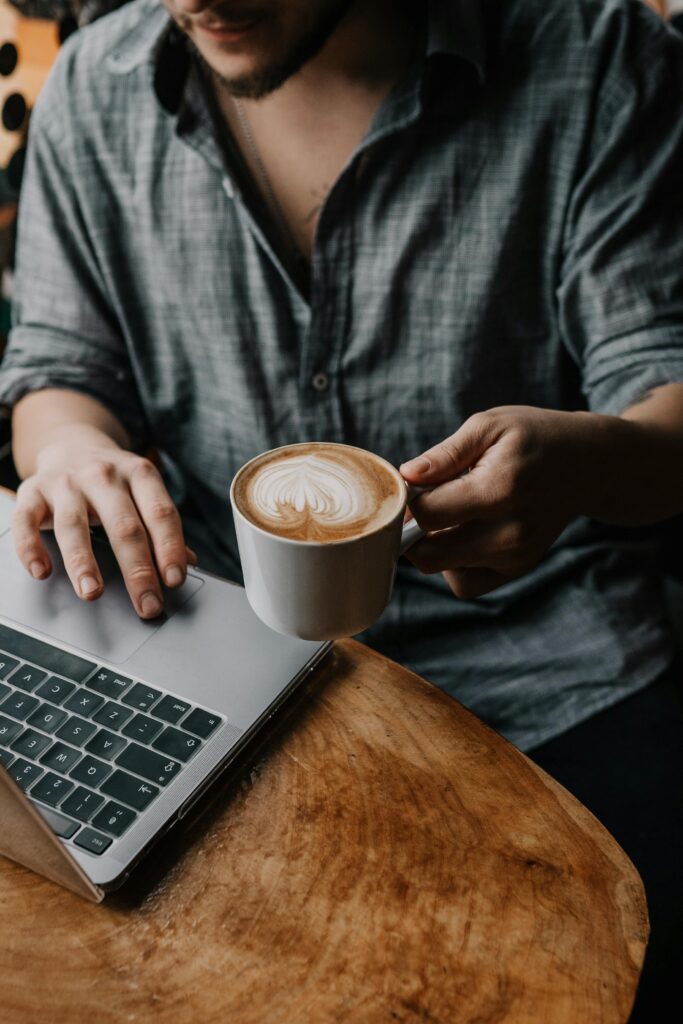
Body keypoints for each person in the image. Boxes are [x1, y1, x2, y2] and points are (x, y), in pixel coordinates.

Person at [0, 0, 681, 1015]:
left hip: (556, 661)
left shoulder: (598, 59)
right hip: (223, 644)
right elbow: (60, 368)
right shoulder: (98, 83)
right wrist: (70, 449)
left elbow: (662, 402)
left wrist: (592, 465)